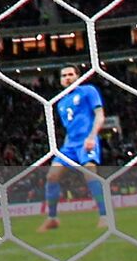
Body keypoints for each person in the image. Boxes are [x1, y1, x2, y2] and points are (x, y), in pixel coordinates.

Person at [39, 66, 110, 232]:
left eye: (71, 74)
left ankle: (104, 216)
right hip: (69, 145)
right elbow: (69, 128)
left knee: (90, 173)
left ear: (78, 76)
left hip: (87, 141)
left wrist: (92, 136)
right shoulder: (61, 103)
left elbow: (100, 115)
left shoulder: (88, 91)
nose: (67, 78)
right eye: (64, 75)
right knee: (52, 176)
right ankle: (52, 218)